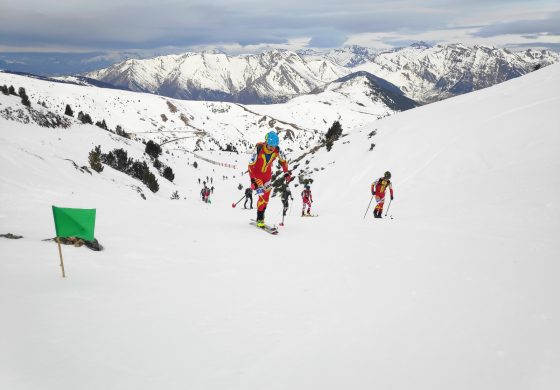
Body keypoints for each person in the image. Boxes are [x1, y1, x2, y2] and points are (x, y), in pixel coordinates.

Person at [248, 130, 291, 228]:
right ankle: (260, 218)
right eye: (271, 145)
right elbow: (250, 166)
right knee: (262, 197)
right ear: (266, 142)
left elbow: (283, 161)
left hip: (267, 177)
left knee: (266, 199)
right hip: (257, 177)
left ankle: (261, 213)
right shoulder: (258, 149)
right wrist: (252, 180)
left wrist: (286, 172)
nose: (272, 148)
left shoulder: (277, 150)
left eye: (274, 146)